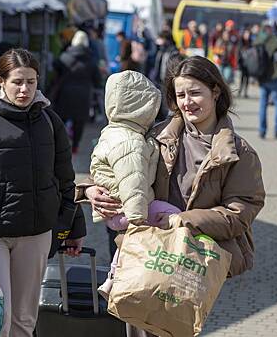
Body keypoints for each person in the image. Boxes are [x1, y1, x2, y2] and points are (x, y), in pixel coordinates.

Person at [78, 56, 265, 336]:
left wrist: (180, 220)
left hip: (194, 262)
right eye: (180, 95)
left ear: (215, 92)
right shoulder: (156, 134)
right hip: (145, 252)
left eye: (195, 93)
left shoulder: (238, 153)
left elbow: (240, 213)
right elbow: (120, 168)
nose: (187, 102)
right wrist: (89, 190)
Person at [0, 48, 86, 337]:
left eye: (31, 82)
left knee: (25, 318)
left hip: (36, 233)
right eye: (17, 82)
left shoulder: (50, 122)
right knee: (0, 314)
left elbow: (64, 178)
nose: (25, 89)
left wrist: (74, 226)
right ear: (0, 81)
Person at [89, 70, 181, 298]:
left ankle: (112, 279)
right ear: (142, 107)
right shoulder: (130, 142)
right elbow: (134, 184)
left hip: (118, 208)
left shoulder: (115, 132)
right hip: (128, 210)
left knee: (124, 249)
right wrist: (137, 220)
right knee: (175, 216)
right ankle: (116, 278)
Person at [52, 30, 101, 154]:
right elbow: (97, 80)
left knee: (61, 120)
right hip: (84, 95)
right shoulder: (92, 60)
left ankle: (58, 144)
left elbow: (55, 69)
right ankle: (75, 147)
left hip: (65, 93)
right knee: (78, 123)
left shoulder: (64, 56)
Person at [253, 23, 277, 140]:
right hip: (273, 76)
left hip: (262, 77)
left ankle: (262, 131)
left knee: (262, 105)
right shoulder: (272, 40)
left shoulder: (257, 40)